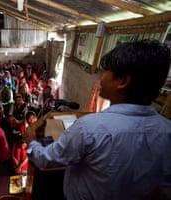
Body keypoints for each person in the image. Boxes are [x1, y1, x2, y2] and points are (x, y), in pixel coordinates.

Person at [23, 40, 171, 200]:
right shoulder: (167, 130)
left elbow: (45, 160)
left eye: (106, 71)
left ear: (123, 81)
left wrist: (31, 143)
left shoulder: (89, 128)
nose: (101, 77)